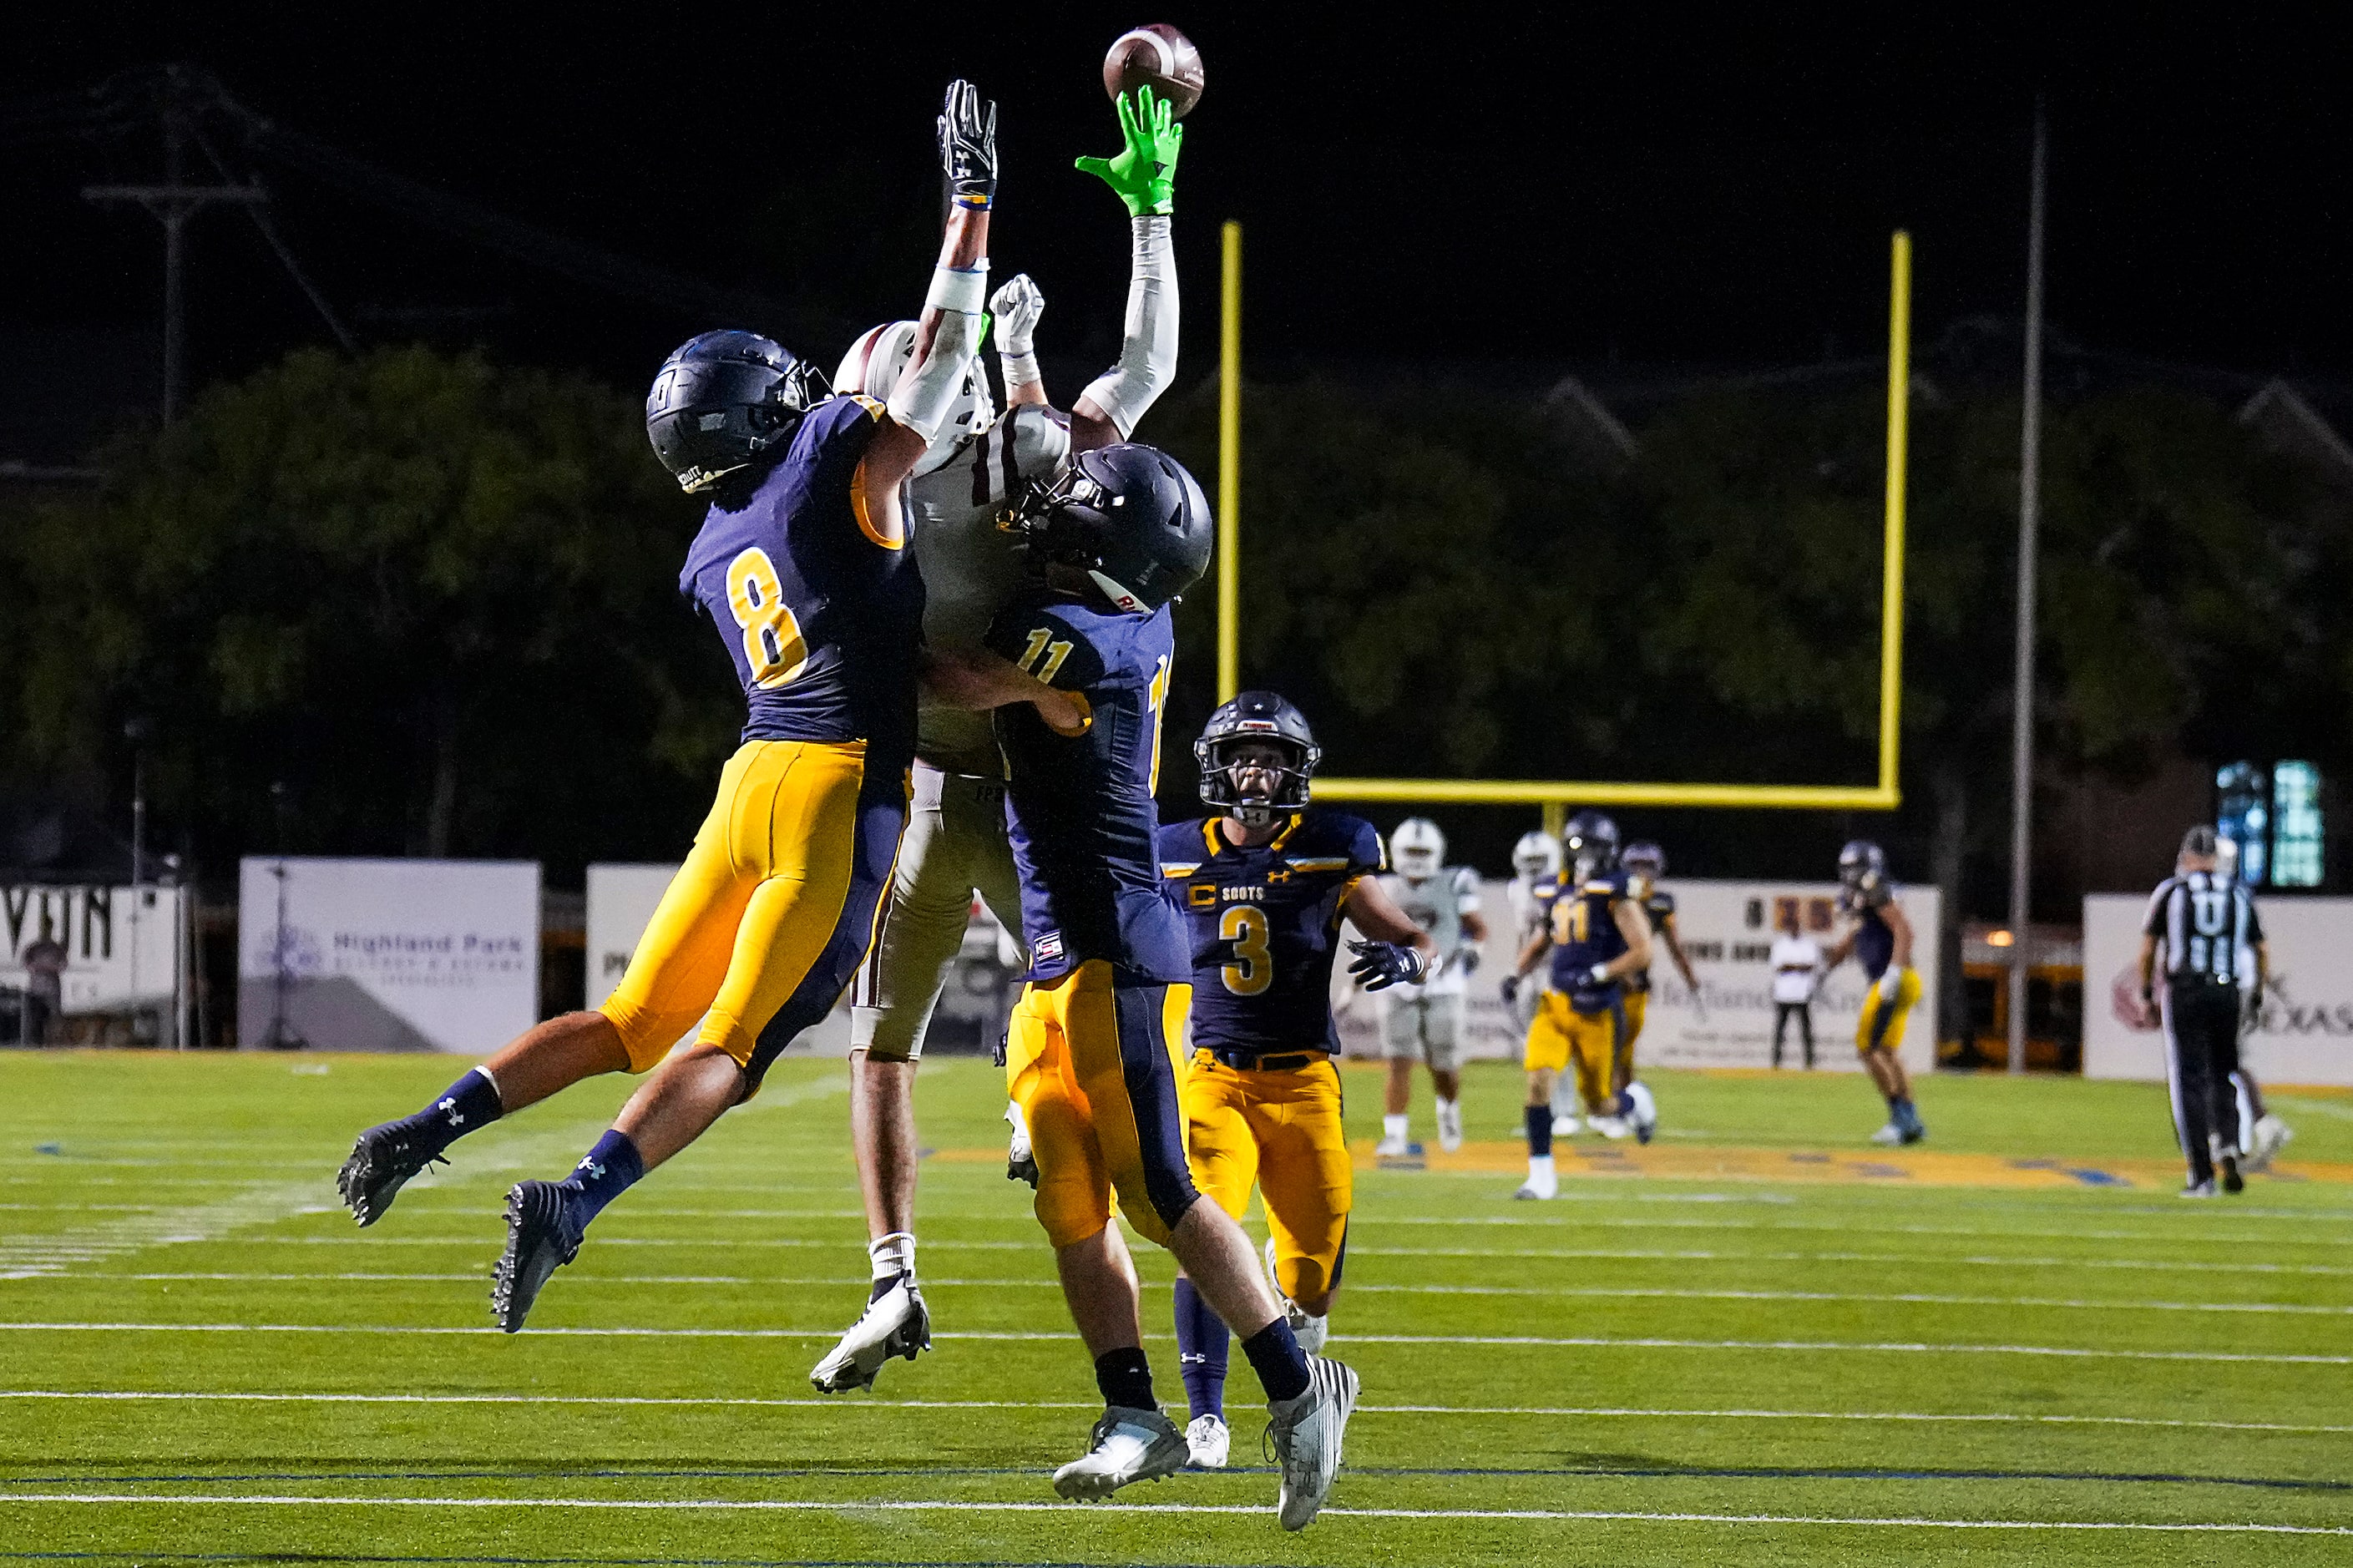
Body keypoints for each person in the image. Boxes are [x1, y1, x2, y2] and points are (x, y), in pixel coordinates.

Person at [331, 83, 1073, 1333]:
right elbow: (941, 368)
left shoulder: (711, 539)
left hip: (750, 783)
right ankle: (573, 1200)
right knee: (728, 1046)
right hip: (838, 789)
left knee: (629, 1017)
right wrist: (969, 208)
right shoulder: (832, 459)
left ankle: (433, 1120)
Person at [812, 83, 1189, 1397]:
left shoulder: (985, 459)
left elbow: (1137, 379)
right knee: (882, 1042)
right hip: (958, 790)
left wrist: (1148, 218)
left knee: (1012, 1060)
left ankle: (917, 1260)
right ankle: (893, 1276)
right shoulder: (874, 491)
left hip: (1030, 781)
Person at [986, 447, 1354, 1528]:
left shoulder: (1089, 642)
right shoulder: (1118, 610)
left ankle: (1297, 1387)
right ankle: (1132, 1412)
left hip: (1116, 954)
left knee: (1155, 1188)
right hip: (1054, 960)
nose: (1055, 515)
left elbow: (946, 677)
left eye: (1077, 512)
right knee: (1066, 1198)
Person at [1157, 692, 1435, 1472]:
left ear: (1296, 771)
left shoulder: (1334, 846)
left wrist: (1413, 959)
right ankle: (1207, 1419)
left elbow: (1410, 933)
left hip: (1305, 1080)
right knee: (1203, 1236)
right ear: (1217, 766)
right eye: (1244, 756)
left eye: (1272, 758)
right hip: (1214, 1078)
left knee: (1311, 1279)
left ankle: (1302, 1382)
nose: (1256, 771)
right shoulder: (1172, 849)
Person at [1502, 811, 1657, 1198]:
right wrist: (1517, 973)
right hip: (1555, 1004)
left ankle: (1636, 1102)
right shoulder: (1554, 889)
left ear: (1608, 853)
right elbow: (1544, 938)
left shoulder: (1616, 891)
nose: (1584, 854)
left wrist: (1601, 973)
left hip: (1597, 1009)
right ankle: (1541, 1177)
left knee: (1601, 1106)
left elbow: (1643, 951)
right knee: (1538, 1082)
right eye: (1577, 846)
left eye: (1592, 848)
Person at [2136, 825, 2264, 1196]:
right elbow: (2262, 950)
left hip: (2187, 990)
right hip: (2227, 990)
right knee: (2224, 1073)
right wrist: (2255, 996)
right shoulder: (2238, 893)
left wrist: (2147, 992)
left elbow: (2148, 949)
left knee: (2188, 1078)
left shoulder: (2173, 891)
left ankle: (2202, 1175)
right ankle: (2227, 1140)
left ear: (2188, 857)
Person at [1372, 817, 1486, 1155]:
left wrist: (1472, 954)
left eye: (1423, 851)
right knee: (1398, 1060)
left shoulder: (1454, 882)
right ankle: (1395, 1132)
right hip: (1398, 983)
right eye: (1411, 851)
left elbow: (1477, 928)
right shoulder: (1384, 886)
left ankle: (1448, 1111)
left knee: (1444, 1064)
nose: (1417, 857)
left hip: (1443, 981)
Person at [1819, 840, 1926, 1146]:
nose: (1850, 875)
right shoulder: (1860, 899)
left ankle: (1901, 1119)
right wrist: (1826, 968)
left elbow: (1904, 930)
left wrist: (1893, 970)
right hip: (1902, 978)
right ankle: (1912, 1121)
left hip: (1895, 978)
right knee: (1887, 1052)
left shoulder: (1875, 886)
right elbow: (1853, 937)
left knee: (1867, 1048)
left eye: (1855, 869)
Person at [1599, 839, 1697, 1134]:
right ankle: (1623, 1106)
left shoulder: (1660, 903)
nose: (1641, 872)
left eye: (1647, 866)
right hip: (1610, 984)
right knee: (1611, 1051)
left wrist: (1690, 978)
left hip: (1636, 990)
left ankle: (1626, 1106)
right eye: (1635, 866)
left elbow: (1675, 947)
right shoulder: (1614, 896)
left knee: (1623, 1053)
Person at [1768, 903, 1822, 1069]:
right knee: (1780, 1031)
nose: (1793, 928)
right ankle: (1776, 1062)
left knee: (1806, 1031)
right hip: (1783, 994)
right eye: (1790, 925)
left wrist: (1792, 967)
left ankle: (1809, 1062)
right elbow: (1779, 967)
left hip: (1802, 993)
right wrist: (1798, 967)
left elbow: (1812, 965)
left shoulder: (1809, 944)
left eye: (1795, 925)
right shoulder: (1780, 945)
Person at [21, 921, 66, 1046]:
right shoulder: (34, 948)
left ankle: (53, 1044)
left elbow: (63, 965)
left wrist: (46, 968)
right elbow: (26, 963)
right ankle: (34, 1044)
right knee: (35, 1020)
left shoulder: (56, 948)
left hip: (52, 990)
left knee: (53, 1019)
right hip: (36, 989)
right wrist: (43, 968)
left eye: (48, 927)